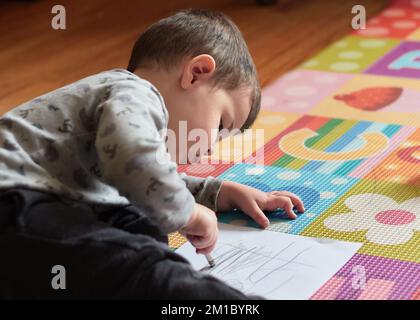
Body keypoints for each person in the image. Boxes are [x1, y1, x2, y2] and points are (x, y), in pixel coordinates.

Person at [0, 9, 304, 299]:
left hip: (37, 207)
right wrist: (188, 211)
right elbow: (135, 160)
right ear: (196, 73)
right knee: (142, 270)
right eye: (222, 124)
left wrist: (216, 191)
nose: (212, 146)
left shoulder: (123, 110)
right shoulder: (134, 92)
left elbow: (139, 178)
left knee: (137, 223)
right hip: (14, 202)